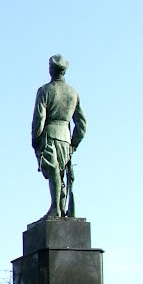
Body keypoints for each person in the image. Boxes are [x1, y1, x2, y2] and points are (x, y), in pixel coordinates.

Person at [32, 54, 86, 220]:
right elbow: (82, 124)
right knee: (61, 174)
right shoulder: (73, 93)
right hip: (65, 138)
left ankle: (56, 208)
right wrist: (73, 143)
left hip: (49, 135)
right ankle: (59, 208)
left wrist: (36, 139)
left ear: (51, 70)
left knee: (54, 172)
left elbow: (39, 118)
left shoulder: (44, 90)